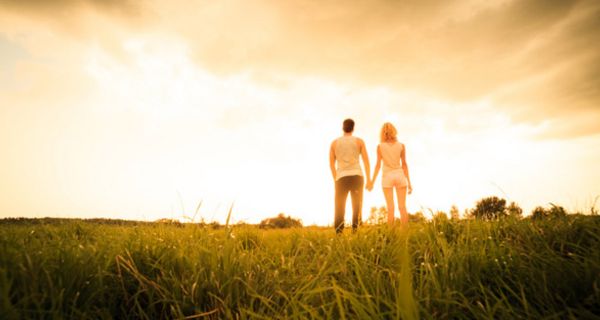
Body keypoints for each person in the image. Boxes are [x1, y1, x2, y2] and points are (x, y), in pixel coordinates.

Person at [329, 119, 371, 233]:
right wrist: (369, 180)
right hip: (357, 176)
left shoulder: (334, 143)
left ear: (343, 127)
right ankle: (355, 233)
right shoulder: (359, 141)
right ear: (353, 128)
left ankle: (339, 236)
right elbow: (366, 162)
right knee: (356, 207)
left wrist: (335, 178)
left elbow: (331, 163)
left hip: (341, 178)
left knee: (339, 208)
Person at [368, 122, 412, 225]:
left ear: (382, 133)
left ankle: (391, 236)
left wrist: (372, 182)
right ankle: (404, 236)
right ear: (394, 131)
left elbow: (378, 165)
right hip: (400, 175)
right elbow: (404, 164)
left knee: (390, 208)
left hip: (387, 177)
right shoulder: (401, 146)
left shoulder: (380, 147)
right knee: (402, 207)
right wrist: (409, 183)